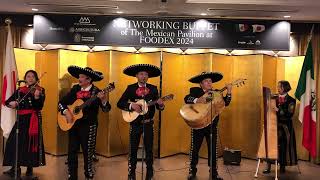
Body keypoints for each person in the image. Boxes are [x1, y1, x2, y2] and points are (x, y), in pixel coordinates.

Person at [58, 66, 111, 180]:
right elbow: (61, 103)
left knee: (88, 151)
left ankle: (88, 174)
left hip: (89, 125)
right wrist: (66, 112)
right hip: (73, 124)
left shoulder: (97, 91)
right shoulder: (75, 89)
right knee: (72, 151)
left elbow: (106, 109)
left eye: (82, 77)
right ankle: (72, 175)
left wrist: (103, 100)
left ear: (89, 80)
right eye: (79, 76)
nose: (79, 78)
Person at [117, 64, 164, 180]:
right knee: (133, 149)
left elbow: (159, 107)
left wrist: (161, 105)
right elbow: (120, 103)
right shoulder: (130, 88)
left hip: (148, 123)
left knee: (149, 149)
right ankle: (131, 172)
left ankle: (149, 172)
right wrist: (131, 105)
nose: (144, 76)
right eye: (141, 74)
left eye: (146, 74)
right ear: (136, 76)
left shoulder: (153, 88)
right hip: (135, 123)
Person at [184, 72, 232, 180]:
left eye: (210, 81)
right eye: (206, 81)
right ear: (201, 84)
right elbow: (186, 98)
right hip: (198, 125)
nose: (209, 83)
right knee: (194, 149)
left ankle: (214, 173)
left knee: (213, 150)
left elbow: (226, 103)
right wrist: (198, 100)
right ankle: (192, 171)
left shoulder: (216, 93)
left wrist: (229, 91)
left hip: (212, 126)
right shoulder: (195, 91)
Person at [3, 70, 46, 179]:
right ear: (25, 78)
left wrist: (37, 98)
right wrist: (11, 104)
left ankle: (29, 168)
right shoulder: (20, 90)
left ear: (36, 79)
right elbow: (8, 101)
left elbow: (39, 107)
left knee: (30, 143)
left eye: (33, 76)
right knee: (14, 142)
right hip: (21, 120)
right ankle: (14, 168)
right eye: (28, 76)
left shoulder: (40, 90)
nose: (30, 78)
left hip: (33, 120)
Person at [263, 80, 298, 174]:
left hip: (285, 127)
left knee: (283, 147)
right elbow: (269, 110)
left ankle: (282, 166)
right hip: (274, 126)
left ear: (284, 88)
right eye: (278, 87)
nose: (278, 88)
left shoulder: (291, 100)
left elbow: (289, 115)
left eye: (279, 87)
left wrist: (278, 110)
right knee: (270, 146)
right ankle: (268, 166)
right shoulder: (274, 98)